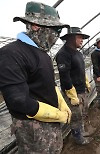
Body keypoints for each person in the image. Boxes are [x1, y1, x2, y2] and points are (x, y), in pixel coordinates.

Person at [0, 2, 71, 153]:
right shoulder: (11, 53)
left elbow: (47, 83)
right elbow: (18, 100)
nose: (56, 36)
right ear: (35, 26)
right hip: (33, 130)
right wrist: (56, 114)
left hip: (50, 126)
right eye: (54, 30)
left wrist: (61, 103)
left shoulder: (42, 54)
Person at [55, 27, 92, 145]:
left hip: (82, 90)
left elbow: (81, 69)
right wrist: (71, 95)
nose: (82, 40)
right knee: (75, 116)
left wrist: (86, 82)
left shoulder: (78, 53)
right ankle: (78, 137)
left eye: (82, 38)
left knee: (83, 113)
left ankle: (81, 131)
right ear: (71, 38)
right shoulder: (63, 54)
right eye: (79, 37)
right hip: (73, 92)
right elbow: (65, 76)